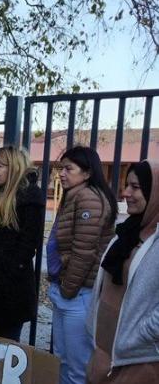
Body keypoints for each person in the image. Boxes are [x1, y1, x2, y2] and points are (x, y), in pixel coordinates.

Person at [46, 146, 117, 384]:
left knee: (77, 366)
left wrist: (67, 289)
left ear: (87, 173)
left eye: (69, 169)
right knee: (63, 359)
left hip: (78, 293)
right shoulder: (75, 196)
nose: (62, 174)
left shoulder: (88, 198)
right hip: (69, 291)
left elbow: (84, 252)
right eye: (61, 169)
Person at [87, 160, 159, 383]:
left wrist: (137, 338)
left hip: (136, 362)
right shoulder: (127, 232)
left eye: (135, 187)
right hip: (103, 353)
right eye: (127, 185)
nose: (125, 192)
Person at [0, 146, 45, 341]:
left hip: (12, 286)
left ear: (14, 168)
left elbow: (29, 243)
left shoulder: (30, 196)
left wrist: (10, 270)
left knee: (7, 346)